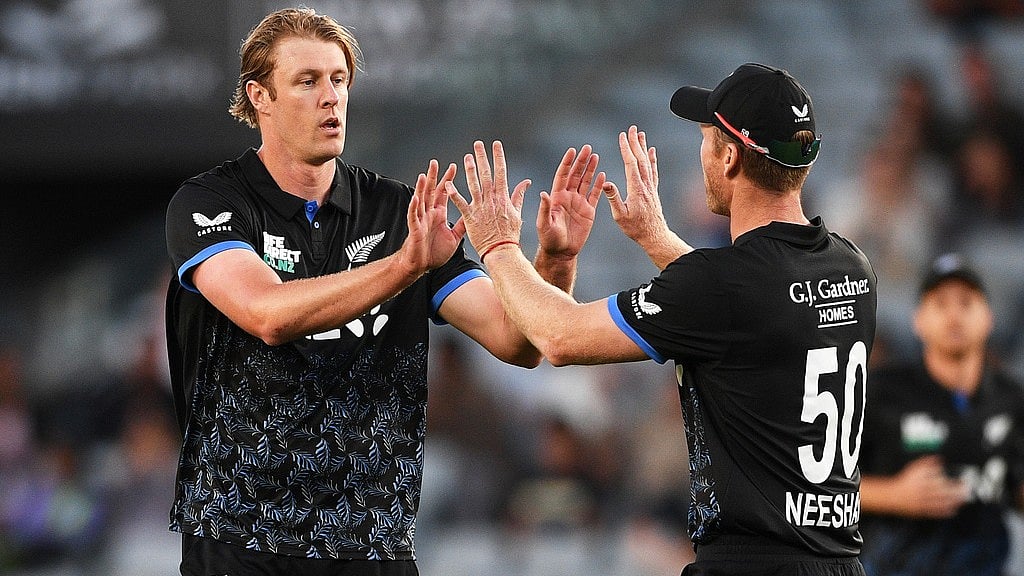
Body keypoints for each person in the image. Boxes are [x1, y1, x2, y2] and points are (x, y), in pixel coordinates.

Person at [163, 7, 605, 575]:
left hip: (373, 544)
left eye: (339, 80)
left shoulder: (398, 212)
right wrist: (404, 268)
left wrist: (556, 258)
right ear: (259, 97)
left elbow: (517, 341)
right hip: (243, 541)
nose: (331, 97)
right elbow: (266, 312)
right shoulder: (210, 202)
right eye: (307, 81)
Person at [446, 62, 878, 575]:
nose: (701, 154)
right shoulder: (851, 267)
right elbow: (749, 309)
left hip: (751, 563)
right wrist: (654, 237)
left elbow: (558, 338)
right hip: (839, 562)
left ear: (731, 157)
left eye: (706, 139)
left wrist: (496, 245)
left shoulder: (726, 284)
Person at [858, 253, 1024, 576]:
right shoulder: (879, 392)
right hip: (896, 565)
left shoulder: (1011, 398)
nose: (954, 315)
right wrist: (893, 495)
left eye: (966, 303)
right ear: (918, 319)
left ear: (988, 317)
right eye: (940, 303)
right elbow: (821, 486)